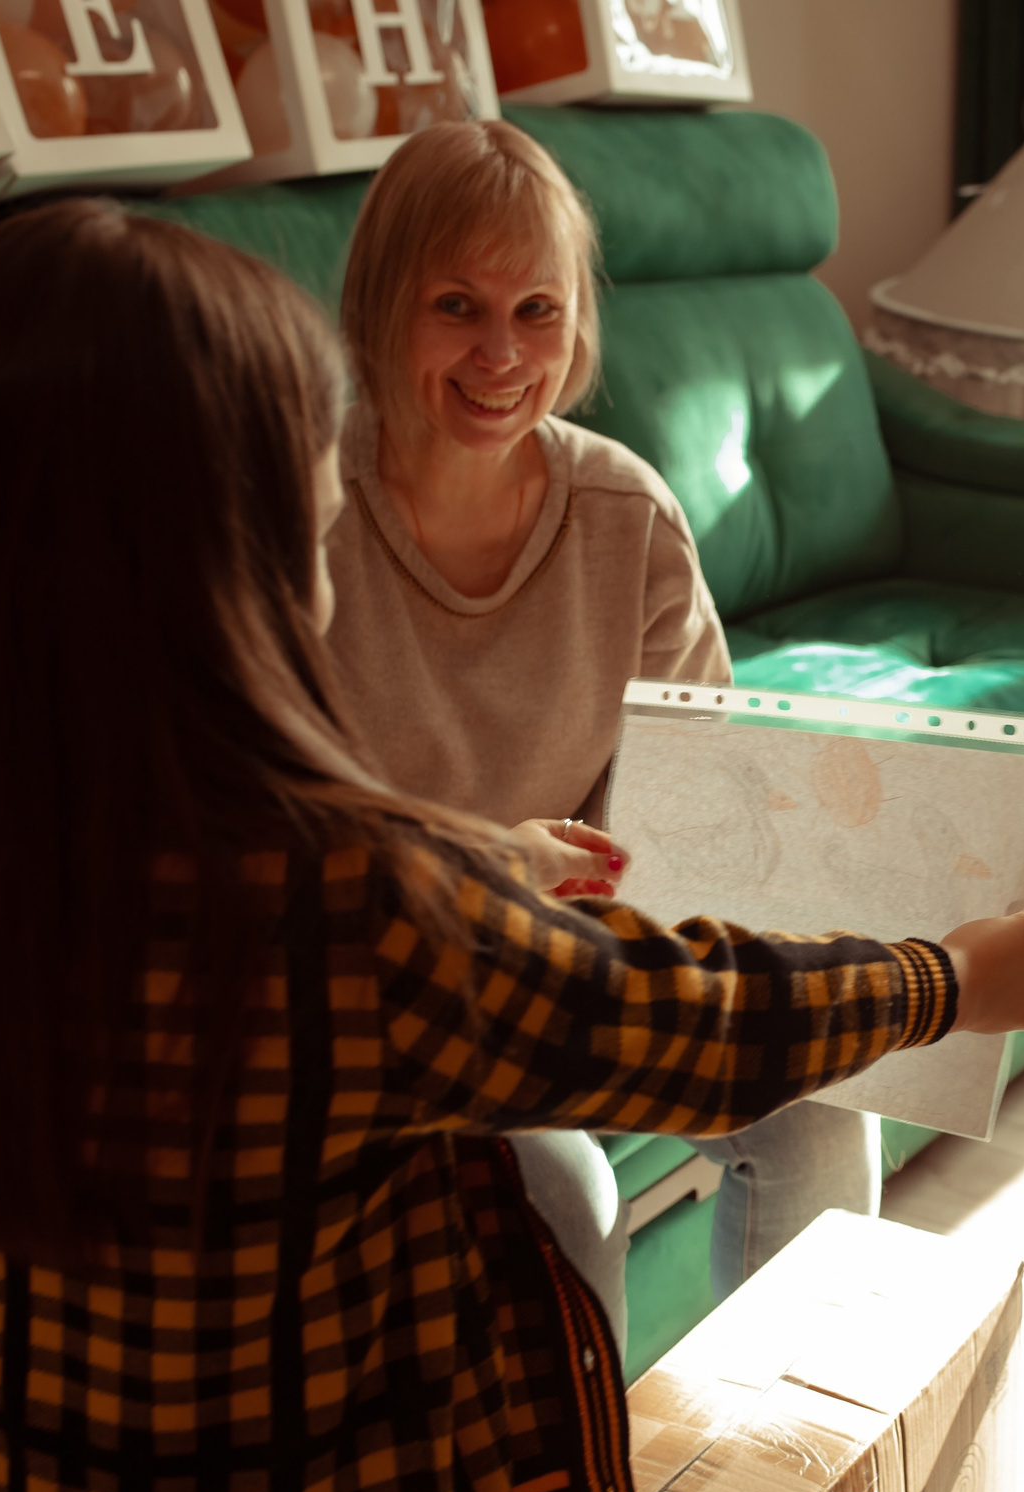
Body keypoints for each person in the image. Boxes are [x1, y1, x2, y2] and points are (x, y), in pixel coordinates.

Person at [0, 200, 1024, 1492]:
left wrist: (479, 860)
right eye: (300, 489)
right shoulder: (353, 910)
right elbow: (696, 1020)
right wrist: (951, 974)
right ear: (225, 547)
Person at [318, 119, 875, 1337]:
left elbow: (716, 794)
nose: (501, 354)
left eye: (538, 310)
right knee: (556, 1182)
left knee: (824, 1098)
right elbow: (272, 830)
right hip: (390, 979)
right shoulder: (299, 515)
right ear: (376, 309)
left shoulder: (623, 509)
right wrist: (488, 867)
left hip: (582, 958)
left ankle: (790, 1475)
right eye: (456, 306)